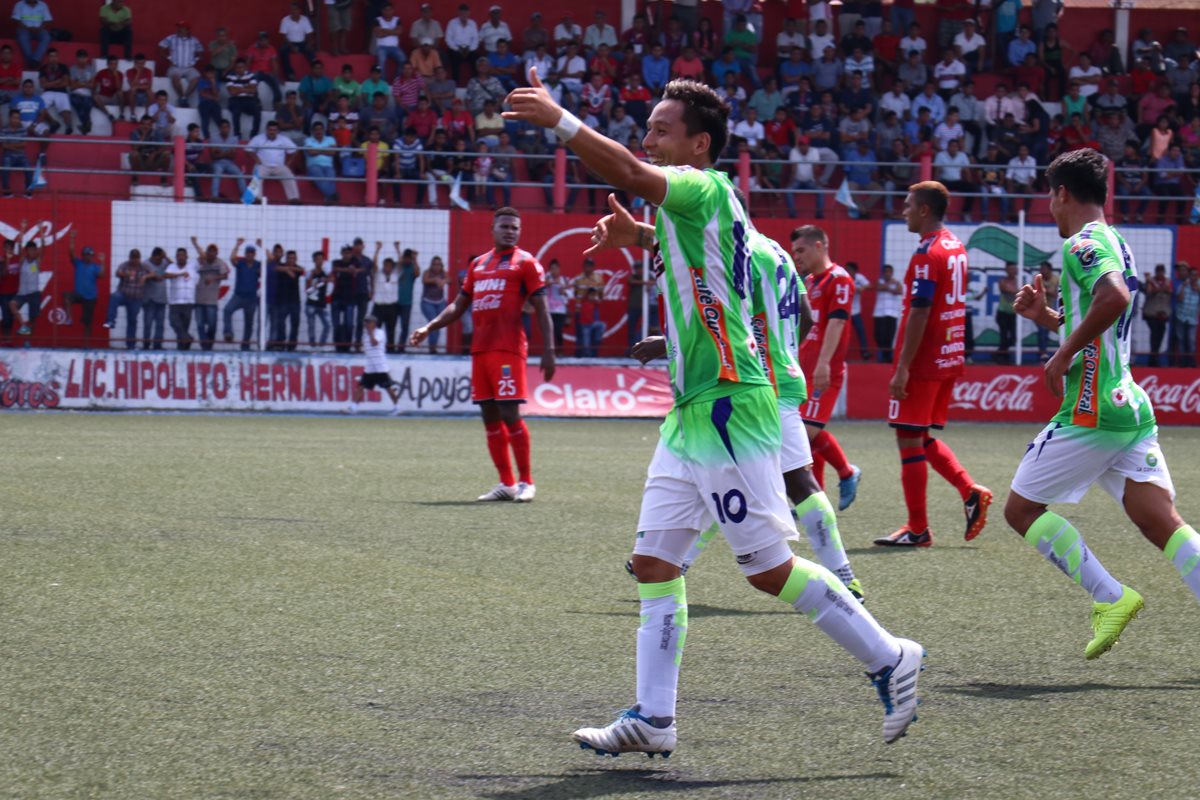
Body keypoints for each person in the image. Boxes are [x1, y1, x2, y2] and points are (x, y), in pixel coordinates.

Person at [504, 73, 923, 755]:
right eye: (649, 125)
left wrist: (560, 121)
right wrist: (637, 236)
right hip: (694, 410)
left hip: (731, 402)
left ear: (699, 145)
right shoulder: (694, 210)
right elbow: (692, 251)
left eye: (663, 127)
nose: (649, 135)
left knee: (765, 567)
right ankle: (654, 720)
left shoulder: (700, 186)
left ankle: (889, 655)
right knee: (654, 561)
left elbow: (633, 171)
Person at [1005, 147, 1198, 660]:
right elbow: (1097, 319)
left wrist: (1062, 354)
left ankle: (1110, 596)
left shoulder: (1081, 245)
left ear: (1062, 193)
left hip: (1092, 409)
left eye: (1050, 194)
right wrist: (1047, 316)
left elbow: (1114, 300)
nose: (1049, 205)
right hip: (1129, 404)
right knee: (1161, 521)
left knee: (1021, 510)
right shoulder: (1117, 241)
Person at [612, 212, 866, 602]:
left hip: (748, 384)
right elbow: (807, 315)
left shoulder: (736, 253)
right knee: (739, 475)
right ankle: (844, 578)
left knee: (784, 481)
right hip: (781, 376)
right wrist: (781, 349)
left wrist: (667, 343)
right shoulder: (779, 252)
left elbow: (724, 318)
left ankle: (842, 582)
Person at [875, 181, 992, 547]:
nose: (904, 210)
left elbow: (920, 312)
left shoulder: (927, 254)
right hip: (949, 354)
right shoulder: (955, 245)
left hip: (924, 361)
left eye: (908, 205)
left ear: (924, 210)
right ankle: (967, 492)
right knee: (918, 435)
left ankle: (918, 528)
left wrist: (903, 367)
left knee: (908, 439)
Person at [411, 206, 553, 500]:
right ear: (493, 229)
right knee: (489, 416)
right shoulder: (478, 265)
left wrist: (549, 350)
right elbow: (458, 305)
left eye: (515, 227)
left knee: (509, 412)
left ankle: (527, 482)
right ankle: (507, 484)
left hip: (508, 349)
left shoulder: (526, 263)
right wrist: (429, 327)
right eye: (504, 226)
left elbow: (542, 308)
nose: (510, 231)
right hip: (480, 350)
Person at [791, 225, 863, 505]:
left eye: (802, 250)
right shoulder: (809, 282)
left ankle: (847, 472)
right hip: (802, 369)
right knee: (803, 436)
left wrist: (823, 364)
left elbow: (837, 322)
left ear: (820, 246)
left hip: (824, 370)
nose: (797, 256)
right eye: (794, 251)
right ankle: (813, 496)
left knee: (805, 432)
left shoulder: (839, 279)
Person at [351, 315, 403, 413]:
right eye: (365, 322)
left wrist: (371, 332)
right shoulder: (365, 335)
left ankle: (397, 407)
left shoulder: (380, 333)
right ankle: (354, 407)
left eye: (368, 322)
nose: (366, 324)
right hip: (370, 367)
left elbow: (374, 343)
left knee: (388, 387)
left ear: (374, 324)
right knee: (360, 386)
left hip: (380, 366)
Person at [61, 231, 103, 342]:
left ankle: (86, 346)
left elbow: (102, 275)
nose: (89, 257)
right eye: (87, 254)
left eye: (91, 255)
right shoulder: (78, 263)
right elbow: (71, 252)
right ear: (83, 255)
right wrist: (71, 238)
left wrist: (103, 262)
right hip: (78, 294)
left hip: (90, 297)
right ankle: (69, 318)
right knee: (66, 296)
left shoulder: (95, 266)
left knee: (87, 323)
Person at [247, 121, 301, 204]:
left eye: (274, 130)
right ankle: (257, 199)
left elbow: (294, 150)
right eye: (270, 130)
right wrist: (257, 159)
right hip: (263, 166)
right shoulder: (258, 138)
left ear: (278, 131)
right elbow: (249, 149)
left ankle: (294, 199)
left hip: (279, 166)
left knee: (289, 175)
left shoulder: (284, 139)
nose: (272, 132)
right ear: (266, 130)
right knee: (256, 174)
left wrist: (288, 163)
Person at [190, 238, 229, 351]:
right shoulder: (201, 262)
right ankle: (204, 345)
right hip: (199, 299)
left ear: (216, 254)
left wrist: (214, 278)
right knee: (200, 325)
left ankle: (209, 345)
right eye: (209, 252)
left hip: (211, 301)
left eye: (213, 253)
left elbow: (225, 275)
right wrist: (195, 243)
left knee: (212, 325)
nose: (211, 255)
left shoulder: (219, 263)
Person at [103, 248, 147, 348]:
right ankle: (110, 320)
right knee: (114, 297)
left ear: (139, 258)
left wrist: (146, 277)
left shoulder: (144, 267)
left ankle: (130, 344)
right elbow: (117, 272)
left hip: (136, 298)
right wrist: (125, 274)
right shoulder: (125, 265)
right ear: (130, 258)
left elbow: (155, 273)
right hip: (124, 294)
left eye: (136, 258)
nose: (134, 260)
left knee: (132, 320)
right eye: (133, 258)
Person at [224, 239, 260, 350]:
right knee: (227, 310)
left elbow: (271, 260)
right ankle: (228, 333)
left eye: (251, 253)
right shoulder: (241, 263)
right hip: (238, 296)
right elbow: (231, 259)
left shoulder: (258, 265)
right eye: (248, 253)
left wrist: (262, 245)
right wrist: (237, 245)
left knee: (249, 323)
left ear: (254, 254)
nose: (249, 255)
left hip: (252, 298)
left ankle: (245, 345)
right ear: (245, 254)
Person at [159, 21, 204, 107]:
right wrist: (169, 58)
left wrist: (195, 60)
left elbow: (200, 51)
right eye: (178, 27)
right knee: (175, 77)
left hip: (189, 67)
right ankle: (182, 97)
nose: (179, 30)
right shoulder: (171, 38)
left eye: (182, 28)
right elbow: (161, 47)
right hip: (175, 66)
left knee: (196, 77)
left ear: (187, 30)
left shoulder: (194, 40)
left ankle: (184, 97)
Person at [1141, 264, 1171, 367]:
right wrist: (1153, 285)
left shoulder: (1167, 281)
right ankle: (1153, 360)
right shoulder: (1150, 281)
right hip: (1151, 313)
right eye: (1158, 271)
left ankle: (1155, 357)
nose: (1160, 273)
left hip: (1163, 313)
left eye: (1161, 271)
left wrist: (1163, 289)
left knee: (1160, 336)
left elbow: (1170, 291)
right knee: (1154, 335)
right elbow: (1148, 292)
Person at [280, 2, 316, 82]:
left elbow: (310, 34)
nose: (293, 11)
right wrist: (292, 47)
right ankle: (290, 74)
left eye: (295, 9)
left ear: (299, 10)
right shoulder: (285, 20)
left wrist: (309, 44)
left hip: (302, 43)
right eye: (291, 10)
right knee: (283, 50)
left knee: (311, 52)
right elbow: (284, 37)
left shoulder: (305, 19)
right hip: (289, 43)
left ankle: (315, 72)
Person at [874, 263, 902, 363]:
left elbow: (899, 290)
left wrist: (887, 287)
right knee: (879, 335)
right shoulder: (879, 281)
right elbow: (878, 287)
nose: (887, 274)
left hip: (892, 313)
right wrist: (890, 287)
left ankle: (887, 357)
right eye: (885, 272)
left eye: (889, 272)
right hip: (879, 313)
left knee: (889, 336)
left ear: (892, 273)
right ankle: (883, 355)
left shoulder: (897, 282)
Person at [419, 255, 448, 354]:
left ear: (441, 265)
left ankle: (433, 346)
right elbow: (424, 280)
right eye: (434, 264)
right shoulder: (427, 272)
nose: (436, 266)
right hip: (427, 302)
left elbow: (450, 279)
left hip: (440, 302)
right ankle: (432, 348)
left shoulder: (443, 273)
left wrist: (444, 281)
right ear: (431, 265)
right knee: (433, 323)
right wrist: (435, 280)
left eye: (438, 264)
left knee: (438, 325)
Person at [12, 0, 51, 68]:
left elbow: (48, 20)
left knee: (46, 37)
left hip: (39, 29)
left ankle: (35, 59)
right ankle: (31, 62)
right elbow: (16, 20)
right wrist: (28, 28)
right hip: (24, 29)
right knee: (22, 38)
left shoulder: (43, 5)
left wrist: (40, 28)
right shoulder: (19, 5)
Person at [305, 251, 331, 348]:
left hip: (322, 304)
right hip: (311, 303)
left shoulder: (326, 274)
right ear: (314, 261)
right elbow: (307, 290)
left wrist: (327, 279)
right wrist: (315, 286)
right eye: (317, 259)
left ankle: (321, 345)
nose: (319, 261)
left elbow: (331, 281)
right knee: (311, 326)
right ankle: (312, 346)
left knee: (328, 325)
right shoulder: (310, 273)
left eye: (321, 259)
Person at [1175, 263, 1199, 368]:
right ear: (1189, 275)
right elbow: (1179, 299)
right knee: (1180, 339)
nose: (1194, 277)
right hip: (1181, 316)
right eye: (1192, 275)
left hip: (1193, 318)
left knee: (1191, 340)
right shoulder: (1183, 285)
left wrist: (1196, 288)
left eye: (1196, 275)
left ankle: (1191, 362)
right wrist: (1184, 287)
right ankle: (1182, 362)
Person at [995, 262, 1019, 363]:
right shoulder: (1003, 281)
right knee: (1004, 335)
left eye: (1014, 269)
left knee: (1013, 337)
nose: (1012, 271)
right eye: (1010, 269)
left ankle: (999, 353)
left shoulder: (1018, 281)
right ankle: (1003, 357)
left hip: (1013, 313)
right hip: (1003, 312)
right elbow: (1005, 289)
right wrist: (1017, 290)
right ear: (1006, 270)